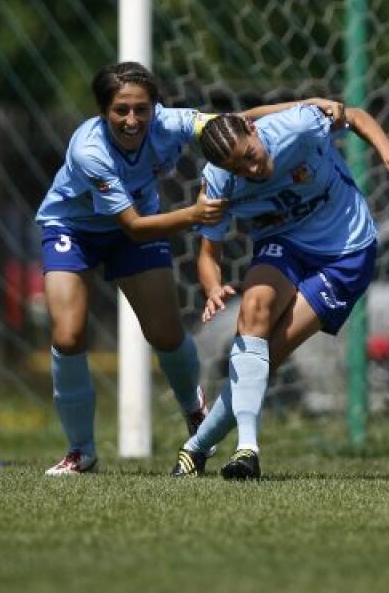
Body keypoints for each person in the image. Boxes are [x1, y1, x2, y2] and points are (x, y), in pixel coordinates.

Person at [35, 61, 341, 476]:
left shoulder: (172, 123)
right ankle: (80, 450)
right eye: (120, 110)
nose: (132, 120)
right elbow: (134, 228)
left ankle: (195, 412)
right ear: (102, 111)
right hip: (76, 227)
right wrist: (196, 213)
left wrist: (312, 104)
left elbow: (238, 123)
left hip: (140, 222)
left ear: (154, 107)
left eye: (141, 109)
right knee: (68, 334)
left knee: (165, 333)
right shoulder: (88, 150)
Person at [170, 103, 389, 479]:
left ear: (255, 132)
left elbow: (352, 114)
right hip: (285, 242)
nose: (251, 170)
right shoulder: (218, 182)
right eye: (238, 168)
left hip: (346, 252)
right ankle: (247, 449)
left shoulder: (298, 127)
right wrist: (212, 288)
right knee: (253, 310)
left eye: (250, 156)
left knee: (267, 355)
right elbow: (208, 253)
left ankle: (197, 446)